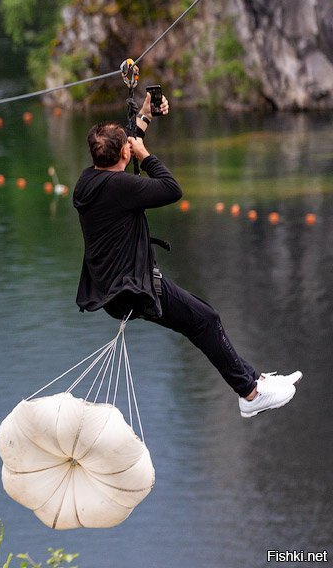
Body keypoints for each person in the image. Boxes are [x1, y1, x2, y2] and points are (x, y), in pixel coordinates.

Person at [73, 94, 301, 418]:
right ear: (124, 153)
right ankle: (250, 394)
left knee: (203, 316)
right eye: (128, 147)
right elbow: (171, 189)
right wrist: (147, 156)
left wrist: (145, 115)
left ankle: (255, 380)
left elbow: (124, 141)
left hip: (114, 286)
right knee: (205, 321)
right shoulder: (122, 188)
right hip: (134, 290)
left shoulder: (88, 182)